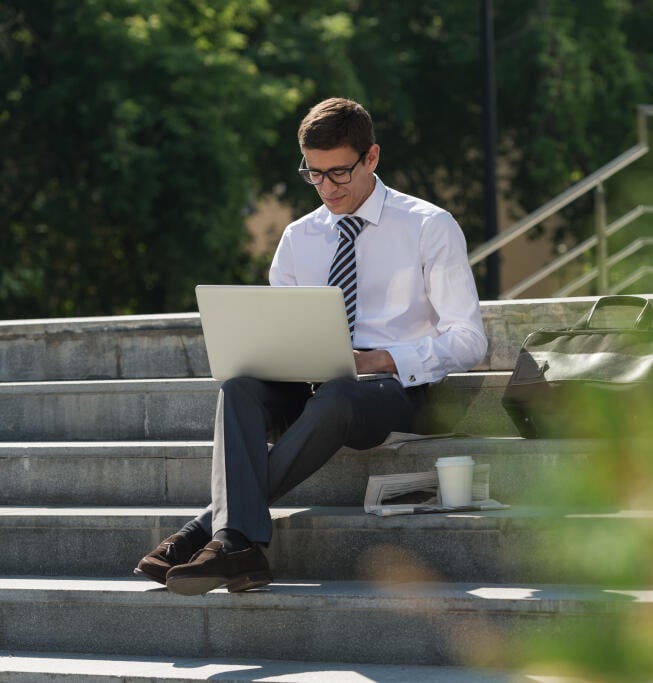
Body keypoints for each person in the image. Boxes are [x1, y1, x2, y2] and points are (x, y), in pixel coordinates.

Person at [134, 97, 487, 595]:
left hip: (397, 392)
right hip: (317, 386)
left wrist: (379, 359)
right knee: (239, 388)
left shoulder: (429, 225)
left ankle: (209, 532)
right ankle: (240, 550)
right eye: (314, 175)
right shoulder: (300, 236)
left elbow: (470, 340)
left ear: (372, 158)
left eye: (339, 173)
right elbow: (282, 327)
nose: (327, 188)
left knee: (341, 392)